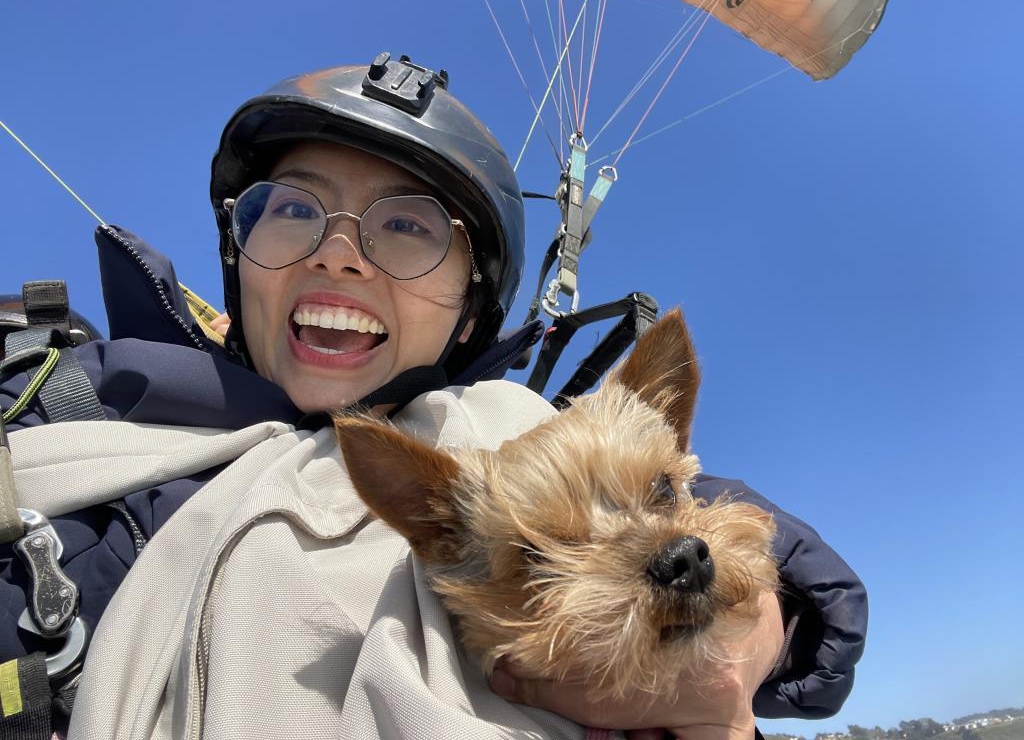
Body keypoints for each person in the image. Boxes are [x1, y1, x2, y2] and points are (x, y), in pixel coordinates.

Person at [0, 55, 866, 739]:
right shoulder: (61, 404)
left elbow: (737, 539)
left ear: (468, 311)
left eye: (408, 226)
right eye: (295, 210)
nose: (340, 256)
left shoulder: (527, 437)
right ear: (238, 250)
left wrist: (757, 634)